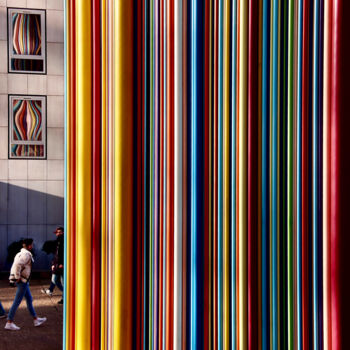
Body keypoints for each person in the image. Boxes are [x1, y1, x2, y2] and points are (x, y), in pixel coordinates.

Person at [5, 238, 47, 331]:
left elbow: (15, 265)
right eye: (32, 244)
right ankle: (9, 322)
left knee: (29, 299)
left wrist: (15, 278)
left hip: (24, 281)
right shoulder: (26, 255)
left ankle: (36, 319)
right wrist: (17, 277)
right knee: (17, 301)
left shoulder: (20, 253)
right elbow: (17, 265)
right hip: (22, 281)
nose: (32, 246)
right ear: (29, 246)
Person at [41, 227, 64, 304]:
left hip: (59, 265)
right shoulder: (59, 242)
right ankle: (65, 297)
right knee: (60, 281)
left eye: (58, 232)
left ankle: (66, 295)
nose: (57, 234)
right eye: (57, 233)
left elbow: (61, 254)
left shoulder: (61, 242)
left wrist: (60, 264)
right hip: (58, 264)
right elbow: (57, 255)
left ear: (62, 232)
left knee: (55, 280)